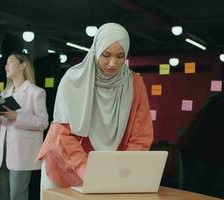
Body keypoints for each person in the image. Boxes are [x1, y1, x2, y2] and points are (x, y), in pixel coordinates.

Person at [36, 23, 154, 192]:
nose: (112, 63)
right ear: (96, 49)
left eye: (120, 56)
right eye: (106, 55)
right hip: (63, 166)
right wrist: (90, 172)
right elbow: (63, 134)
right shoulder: (73, 80)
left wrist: (125, 170)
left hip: (108, 173)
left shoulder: (134, 84)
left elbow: (141, 135)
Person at [178, 76, 224, 199]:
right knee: (221, 185)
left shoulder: (213, 101)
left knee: (196, 185)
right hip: (210, 152)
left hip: (193, 149)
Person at [0, 52, 49, 200]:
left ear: (23, 66)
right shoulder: (4, 94)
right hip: (2, 154)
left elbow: (43, 122)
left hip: (21, 154)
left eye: (10, 62)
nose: (6, 65)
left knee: (17, 196)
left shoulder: (36, 92)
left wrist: (18, 117)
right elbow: (5, 123)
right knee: (1, 196)